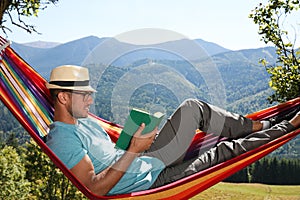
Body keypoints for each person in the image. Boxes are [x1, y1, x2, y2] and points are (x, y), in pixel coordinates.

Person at [45, 65, 300, 196]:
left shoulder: (85, 121)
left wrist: (136, 139)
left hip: (146, 158)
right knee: (222, 151)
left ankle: (261, 124)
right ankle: (288, 126)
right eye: (84, 96)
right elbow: (95, 188)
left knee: (192, 108)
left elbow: (112, 153)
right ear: (64, 98)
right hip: (150, 182)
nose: (91, 101)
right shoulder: (62, 139)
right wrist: (134, 149)